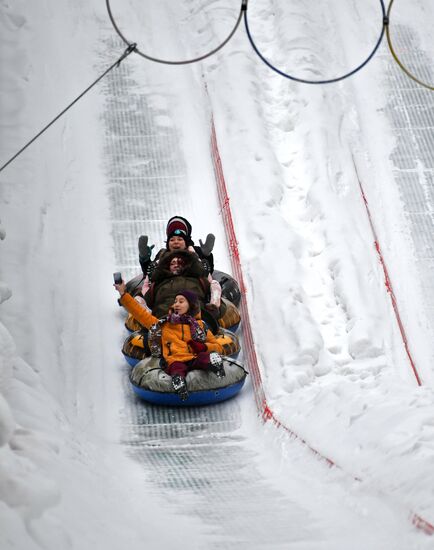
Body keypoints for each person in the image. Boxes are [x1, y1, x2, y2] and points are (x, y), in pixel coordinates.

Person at [114, 282, 225, 400]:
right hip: (175, 359)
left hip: (194, 357)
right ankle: (179, 382)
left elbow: (218, 346)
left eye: (181, 301)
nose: (176, 304)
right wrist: (123, 294)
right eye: (175, 301)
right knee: (176, 368)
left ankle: (214, 364)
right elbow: (141, 314)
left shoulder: (199, 326)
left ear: (191, 306)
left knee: (203, 357)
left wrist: (203, 347)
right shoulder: (164, 325)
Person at [138, 215, 222, 315]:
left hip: (191, 292)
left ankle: (212, 312)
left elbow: (207, 273)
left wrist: (206, 255)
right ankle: (148, 318)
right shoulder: (162, 255)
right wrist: (145, 259)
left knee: (214, 285)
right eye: (172, 239)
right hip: (167, 294)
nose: (176, 242)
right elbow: (150, 274)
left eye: (180, 239)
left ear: (186, 239)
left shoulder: (195, 252)